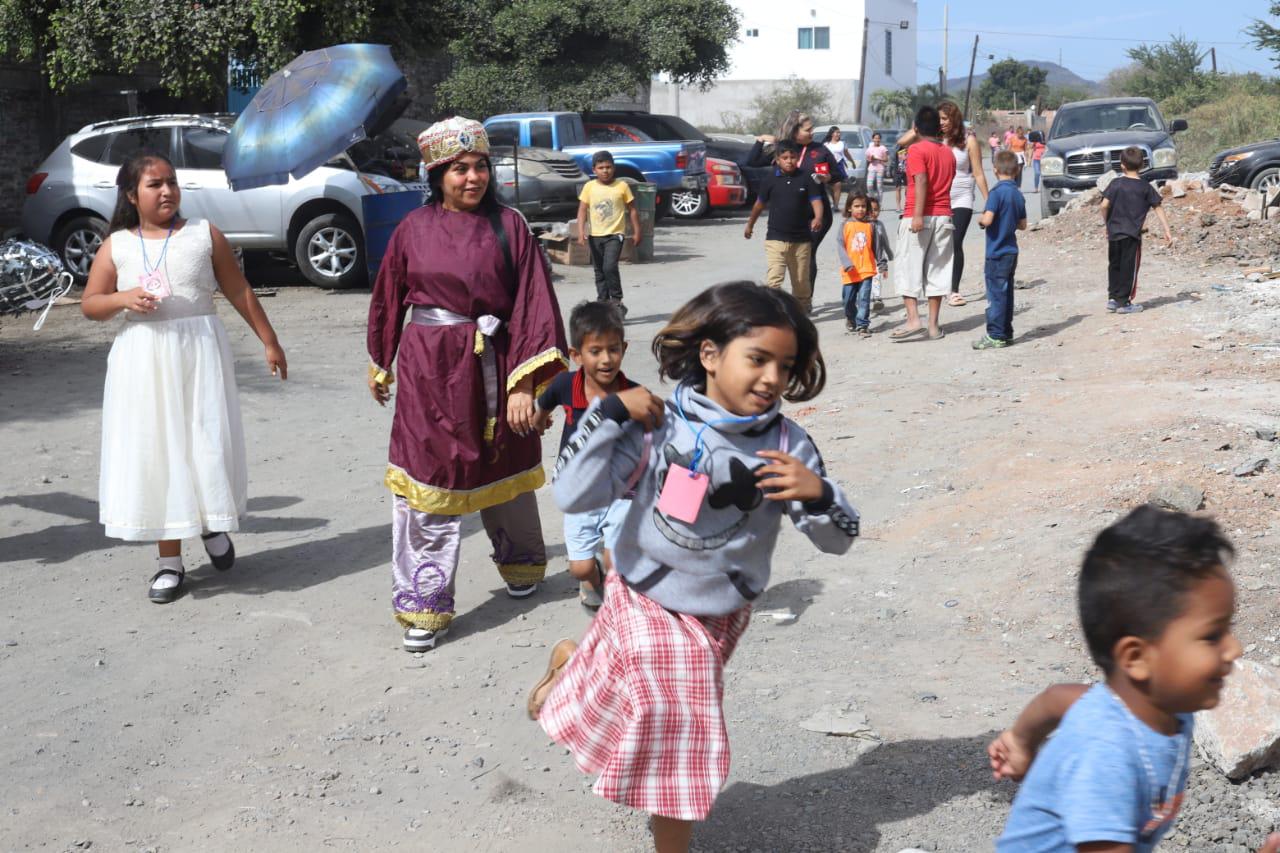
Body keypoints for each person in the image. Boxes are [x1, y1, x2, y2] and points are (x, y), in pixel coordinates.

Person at [527, 282, 859, 853]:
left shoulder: (788, 444)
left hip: (722, 612)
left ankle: (573, 661)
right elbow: (573, 496)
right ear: (709, 354)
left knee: (658, 710)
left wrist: (821, 493)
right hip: (647, 593)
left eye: (785, 365)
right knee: (679, 727)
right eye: (757, 359)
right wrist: (607, 413)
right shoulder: (656, 422)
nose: (773, 379)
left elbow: (837, 541)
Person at [367, 116, 569, 652]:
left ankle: (522, 566)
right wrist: (381, 357)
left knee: (505, 459)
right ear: (437, 175)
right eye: (459, 169)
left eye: (480, 167)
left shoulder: (511, 226)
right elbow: (389, 293)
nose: (472, 178)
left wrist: (526, 385)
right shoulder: (413, 229)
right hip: (430, 369)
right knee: (433, 475)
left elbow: (534, 304)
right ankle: (425, 603)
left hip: (500, 364)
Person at [988, 506, 1280, 853]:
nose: (1234, 648)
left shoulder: (1160, 704)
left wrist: (1021, 741)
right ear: (1137, 658)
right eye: (1212, 636)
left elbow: (1059, 698)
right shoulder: (1106, 755)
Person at [81, 151, 286, 604]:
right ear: (132, 195)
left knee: (204, 441)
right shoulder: (117, 244)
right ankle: (169, 563)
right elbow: (91, 303)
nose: (167, 191)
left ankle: (212, 524)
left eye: (172, 182)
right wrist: (123, 299)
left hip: (199, 353)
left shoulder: (203, 234)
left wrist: (269, 340)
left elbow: (237, 288)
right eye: (155, 184)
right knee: (160, 451)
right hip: (145, 359)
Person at [532, 301, 634, 609]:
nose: (606, 359)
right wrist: (539, 421)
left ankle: (619, 602)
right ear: (576, 355)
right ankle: (592, 575)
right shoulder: (565, 383)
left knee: (617, 563)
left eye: (613, 349)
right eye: (595, 351)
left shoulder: (632, 394)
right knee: (580, 567)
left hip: (621, 490)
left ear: (624, 349)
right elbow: (545, 402)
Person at [897, 102, 989, 307]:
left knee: (955, 242)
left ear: (955, 119)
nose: (942, 123)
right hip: (937, 198)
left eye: (946, 119)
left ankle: (953, 290)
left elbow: (978, 172)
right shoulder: (931, 138)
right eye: (938, 119)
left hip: (962, 196)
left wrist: (989, 203)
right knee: (939, 246)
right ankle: (934, 287)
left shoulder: (968, 140)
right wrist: (919, 127)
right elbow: (902, 142)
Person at [746, 111, 845, 289]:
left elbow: (838, 175)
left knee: (808, 254)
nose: (813, 132)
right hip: (787, 216)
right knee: (786, 257)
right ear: (794, 131)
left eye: (812, 128)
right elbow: (752, 161)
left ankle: (804, 301)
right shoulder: (783, 149)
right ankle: (790, 300)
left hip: (816, 214)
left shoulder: (820, 150)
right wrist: (761, 140)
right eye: (808, 129)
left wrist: (827, 177)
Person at [890, 105, 956, 342]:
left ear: (916, 128)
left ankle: (913, 320)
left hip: (918, 216)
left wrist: (917, 215)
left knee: (908, 267)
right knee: (937, 270)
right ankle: (933, 326)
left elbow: (921, 181)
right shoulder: (948, 152)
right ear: (939, 128)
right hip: (944, 216)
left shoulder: (916, 150)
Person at [743, 140, 825, 313]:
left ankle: (802, 308)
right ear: (777, 160)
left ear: (797, 158)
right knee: (774, 279)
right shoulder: (770, 179)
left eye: (792, 157)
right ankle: (773, 312)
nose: (789, 161)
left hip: (801, 240)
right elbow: (759, 204)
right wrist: (750, 225)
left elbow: (816, 200)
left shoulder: (806, 177)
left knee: (801, 281)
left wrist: (818, 217)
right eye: (785, 157)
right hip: (775, 239)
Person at [1101, 147, 1174, 315]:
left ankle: (1113, 298)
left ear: (1122, 166)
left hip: (1114, 233)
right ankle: (1124, 302)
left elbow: (1104, 205)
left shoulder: (1115, 184)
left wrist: (1107, 223)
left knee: (1115, 265)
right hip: (1132, 235)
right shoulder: (1145, 187)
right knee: (1129, 267)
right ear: (1141, 165)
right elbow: (1158, 208)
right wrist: (1167, 230)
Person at [577, 150, 642, 315]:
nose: (605, 170)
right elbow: (582, 210)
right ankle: (603, 303)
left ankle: (616, 301)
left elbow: (633, 210)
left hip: (615, 235)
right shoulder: (589, 187)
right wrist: (581, 231)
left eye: (608, 167)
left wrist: (637, 231)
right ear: (594, 170)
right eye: (601, 167)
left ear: (613, 168)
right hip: (595, 235)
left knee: (609, 267)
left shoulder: (622, 186)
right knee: (599, 271)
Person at [973, 151, 1027, 350]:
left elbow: (987, 219)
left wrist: (981, 220)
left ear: (995, 170)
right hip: (1011, 251)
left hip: (996, 252)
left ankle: (995, 334)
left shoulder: (995, 193)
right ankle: (1006, 332)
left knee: (996, 294)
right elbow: (1023, 225)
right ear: (1017, 170)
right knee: (1007, 293)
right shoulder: (1017, 194)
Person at [838, 192, 882, 337]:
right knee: (848, 300)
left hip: (867, 269)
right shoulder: (845, 225)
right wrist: (847, 263)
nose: (860, 209)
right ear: (849, 208)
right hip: (850, 270)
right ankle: (851, 318)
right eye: (856, 206)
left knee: (864, 298)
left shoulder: (871, 226)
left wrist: (882, 262)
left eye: (863, 206)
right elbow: (840, 245)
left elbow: (877, 247)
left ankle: (862, 324)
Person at [821, 126, 856, 210]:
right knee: (828, 186)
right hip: (828, 166)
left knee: (838, 185)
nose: (838, 134)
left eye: (839, 132)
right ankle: (833, 201)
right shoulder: (826, 144)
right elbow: (821, 155)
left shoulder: (842, 143)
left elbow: (847, 154)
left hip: (838, 166)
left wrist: (852, 162)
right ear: (832, 133)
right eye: (836, 132)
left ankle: (836, 206)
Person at [868, 196, 893, 311]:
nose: (873, 213)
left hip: (877, 258)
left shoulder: (880, 224)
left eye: (876, 209)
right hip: (864, 259)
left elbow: (885, 241)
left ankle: (877, 298)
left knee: (876, 277)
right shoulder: (863, 225)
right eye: (870, 210)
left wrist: (889, 253)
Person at [865, 132, 889, 200]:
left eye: (878, 138)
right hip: (871, 168)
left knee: (879, 186)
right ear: (873, 139)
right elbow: (868, 159)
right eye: (875, 138)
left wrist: (878, 158)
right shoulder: (869, 148)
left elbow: (886, 159)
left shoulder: (883, 148)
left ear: (880, 139)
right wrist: (871, 158)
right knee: (869, 185)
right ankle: (872, 199)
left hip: (880, 169)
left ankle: (879, 203)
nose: (877, 140)